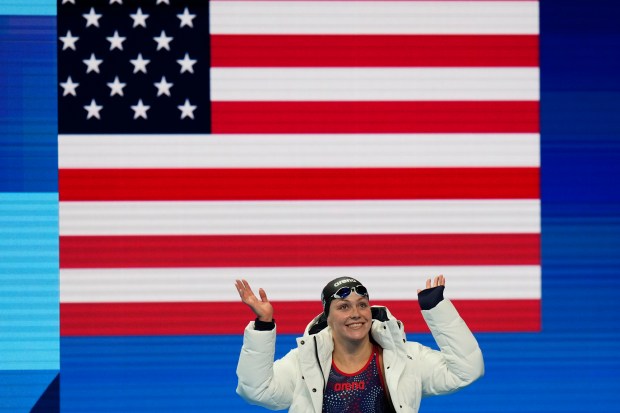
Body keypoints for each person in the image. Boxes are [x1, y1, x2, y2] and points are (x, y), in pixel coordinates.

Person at [235, 275, 484, 412]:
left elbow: (466, 371)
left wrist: (437, 310)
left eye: (362, 305)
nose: (356, 313)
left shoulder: (404, 357)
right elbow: (256, 390)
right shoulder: (304, 362)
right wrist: (264, 324)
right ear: (327, 318)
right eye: (344, 307)